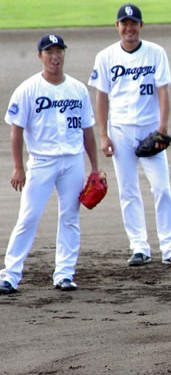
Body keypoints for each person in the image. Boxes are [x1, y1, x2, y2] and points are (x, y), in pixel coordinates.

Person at [88, 3, 171, 267]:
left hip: (149, 129)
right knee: (128, 190)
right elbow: (101, 97)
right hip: (119, 130)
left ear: (141, 26)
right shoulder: (106, 56)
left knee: (161, 188)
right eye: (124, 23)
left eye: (134, 23)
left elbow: (163, 91)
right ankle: (139, 247)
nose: (129, 28)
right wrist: (104, 135)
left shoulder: (156, 53)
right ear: (117, 26)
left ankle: (170, 248)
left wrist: (162, 127)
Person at [0, 34, 99, 295]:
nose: (55, 56)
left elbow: (88, 130)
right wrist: (18, 166)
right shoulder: (27, 89)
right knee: (28, 217)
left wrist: (95, 167)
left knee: (70, 217)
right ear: (40, 56)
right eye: (49, 51)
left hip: (72, 161)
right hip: (41, 162)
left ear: (64, 54)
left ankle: (65, 274)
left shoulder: (78, 89)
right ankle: (9, 275)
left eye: (59, 51)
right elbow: (16, 129)